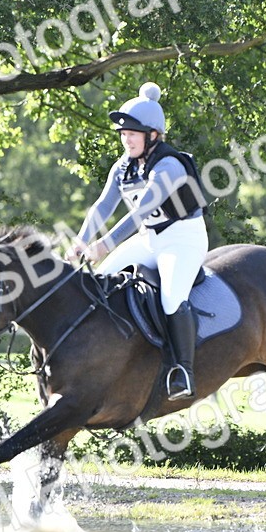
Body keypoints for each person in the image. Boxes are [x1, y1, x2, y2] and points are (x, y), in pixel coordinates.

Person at [68, 82, 208, 400]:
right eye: (123, 133)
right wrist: (81, 240)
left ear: (153, 135)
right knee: (100, 284)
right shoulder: (123, 167)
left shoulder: (170, 165)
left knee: (172, 298)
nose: (126, 138)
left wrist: (103, 245)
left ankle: (182, 371)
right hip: (149, 240)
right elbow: (103, 206)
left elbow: (141, 212)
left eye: (132, 133)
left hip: (182, 240)